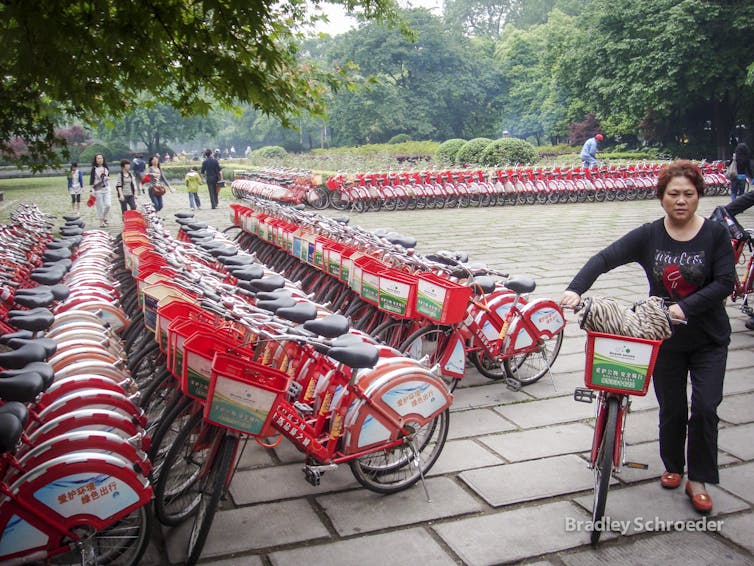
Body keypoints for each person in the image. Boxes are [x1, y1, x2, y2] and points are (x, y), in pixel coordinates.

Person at [560, 160, 735, 515]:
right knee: (671, 407)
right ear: (661, 197)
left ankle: (697, 478)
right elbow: (605, 258)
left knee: (704, 407)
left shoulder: (715, 235)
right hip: (661, 336)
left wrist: (685, 308)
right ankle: (673, 465)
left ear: (698, 195)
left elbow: (725, 283)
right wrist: (575, 290)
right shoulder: (650, 234)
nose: (681, 200)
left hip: (708, 338)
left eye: (688, 193)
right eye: (674, 194)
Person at [88, 153, 112, 227]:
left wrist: (108, 178)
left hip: (106, 189)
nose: (99, 160)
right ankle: (101, 221)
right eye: (98, 158)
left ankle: (103, 217)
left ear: (103, 159)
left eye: (101, 158)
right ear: (95, 160)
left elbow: (108, 177)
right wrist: (91, 191)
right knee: (100, 206)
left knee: (108, 205)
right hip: (98, 189)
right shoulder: (94, 169)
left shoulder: (106, 168)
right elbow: (91, 181)